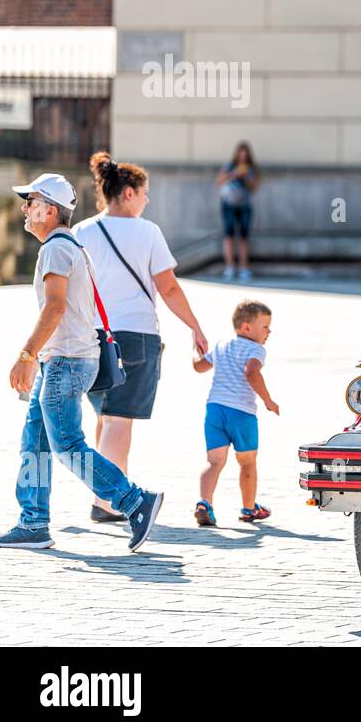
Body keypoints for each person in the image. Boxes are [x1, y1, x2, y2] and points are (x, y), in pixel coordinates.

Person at [0, 173, 163, 552]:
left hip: (64, 363)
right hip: (65, 360)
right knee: (34, 441)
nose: (24, 208)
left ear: (49, 210)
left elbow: (55, 307)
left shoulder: (55, 248)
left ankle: (134, 502)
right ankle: (33, 522)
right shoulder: (71, 244)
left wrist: (26, 355)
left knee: (68, 444)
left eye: (31, 201)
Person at [74, 152, 210, 523]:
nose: (147, 200)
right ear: (129, 192)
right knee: (119, 420)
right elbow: (168, 288)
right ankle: (108, 502)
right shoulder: (148, 232)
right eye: (145, 193)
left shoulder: (82, 231)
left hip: (90, 336)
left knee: (104, 418)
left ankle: (103, 496)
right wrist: (195, 326)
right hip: (134, 337)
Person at [192, 300, 279, 526]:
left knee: (214, 462)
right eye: (265, 327)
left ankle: (204, 503)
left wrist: (196, 350)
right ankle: (249, 509)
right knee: (247, 462)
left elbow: (199, 366)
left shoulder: (222, 345)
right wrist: (268, 400)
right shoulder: (256, 349)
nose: (269, 332)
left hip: (214, 410)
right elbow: (251, 371)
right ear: (247, 328)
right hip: (241, 413)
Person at [216, 141, 260, 282]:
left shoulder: (251, 169)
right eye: (240, 155)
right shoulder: (229, 167)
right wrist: (234, 174)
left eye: (245, 156)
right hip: (228, 203)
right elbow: (219, 180)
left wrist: (246, 176)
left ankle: (243, 268)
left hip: (245, 204)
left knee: (244, 237)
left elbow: (253, 188)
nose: (242, 158)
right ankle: (229, 267)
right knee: (228, 235)